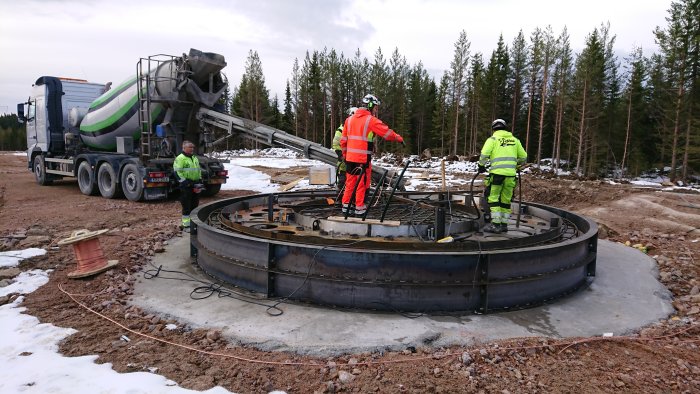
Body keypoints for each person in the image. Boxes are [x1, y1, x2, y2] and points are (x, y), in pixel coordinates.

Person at [340, 94, 404, 217]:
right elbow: (386, 132)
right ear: (370, 106)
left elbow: (343, 140)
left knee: (350, 182)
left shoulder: (349, 120)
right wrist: (398, 138)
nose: (376, 110)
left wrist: (345, 154)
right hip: (362, 159)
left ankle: (346, 207)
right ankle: (360, 209)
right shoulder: (370, 120)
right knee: (361, 184)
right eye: (375, 108)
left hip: (350, 159)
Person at [478, 119, 527, 233]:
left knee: (493, 198)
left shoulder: (493, 140)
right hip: (510, 176)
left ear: (493, 129)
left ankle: (495, 225)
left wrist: (481, 165)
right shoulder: (515, 140)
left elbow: (484, 154)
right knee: (506, 200)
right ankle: (504, 225)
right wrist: (516, 165)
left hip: (497, 175)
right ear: (505, 128)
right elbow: (523, 157)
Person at [174, 140, 203, 231]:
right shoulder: (180, 158)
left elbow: (198, 170)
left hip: (195, 184)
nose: (192, 149)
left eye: (193, 147)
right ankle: (186, 226)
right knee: (186, 206)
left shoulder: (194, 158)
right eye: (190, 147)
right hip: (186, 186)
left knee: (195, 206)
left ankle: (194, 224)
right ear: (184, 148)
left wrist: (200, 179)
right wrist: (185, 182)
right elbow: (177, 172)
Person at [332, 107, 357, 191]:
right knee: (342, 182)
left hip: (354, 161)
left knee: (353, 184)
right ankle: (339, 199)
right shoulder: (341, 129)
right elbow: (336, 144)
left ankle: (350, 200)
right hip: (344, 162)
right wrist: (341, 155)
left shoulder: (357, 129)